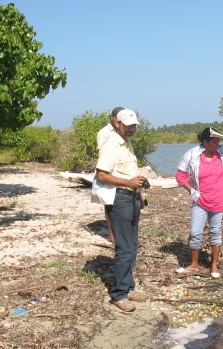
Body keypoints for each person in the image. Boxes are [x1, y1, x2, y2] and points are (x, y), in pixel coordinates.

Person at [175, 127, 223, 278]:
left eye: (218, 142)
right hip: (200, 199)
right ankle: (194, 265)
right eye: (214, 142)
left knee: (215, 232)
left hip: (219, 198)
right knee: (195, 233)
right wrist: (192, 191)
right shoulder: (192, 154)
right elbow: (180, 176)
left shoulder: (222, 151)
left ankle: (214, 266)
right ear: (205, 142)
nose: (217, 145)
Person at [95, 108, 147, 312]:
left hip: (132, 198)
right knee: (124, 248)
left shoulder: (128, 144)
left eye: (134, 126)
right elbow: (102, 176)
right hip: (120, 199)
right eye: (128, 126)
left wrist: (140, 193)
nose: (131, 129)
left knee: (132, 246)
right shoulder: (110, 145)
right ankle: (119, 294)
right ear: (117, 123)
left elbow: (131, 173)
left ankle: (128, 287)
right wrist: (128, 182)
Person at [96, 107, 124, 246]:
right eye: (117, 117)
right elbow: (103, 153)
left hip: (119, 174)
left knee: (118, 203)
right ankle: (112, 233)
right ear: (112, 117)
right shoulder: (104, 133)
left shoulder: (123, 132)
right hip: (108, 173)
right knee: (108, 203)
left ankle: (118, 232)